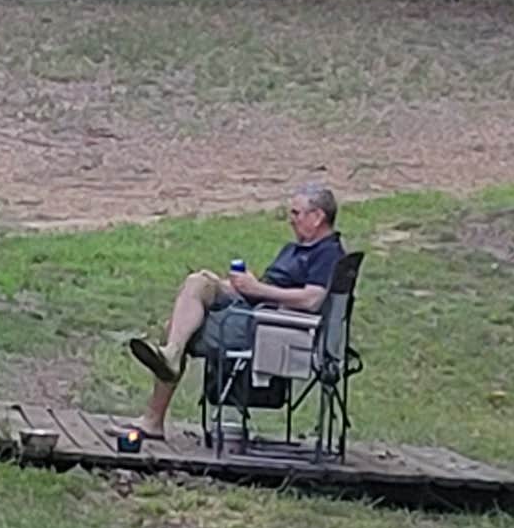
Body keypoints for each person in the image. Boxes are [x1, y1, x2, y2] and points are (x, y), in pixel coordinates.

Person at [111, 183, 344, 450]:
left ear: (317, 217)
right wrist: (243, 286)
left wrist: (257, 289)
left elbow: (312, 299)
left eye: (296, 213)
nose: (291, 219)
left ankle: (157, 408)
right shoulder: (300, 248)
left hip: (271, 329)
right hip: (255, 311)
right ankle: (171, 356)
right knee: (199, 281)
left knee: (175, 328)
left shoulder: (327, 253)